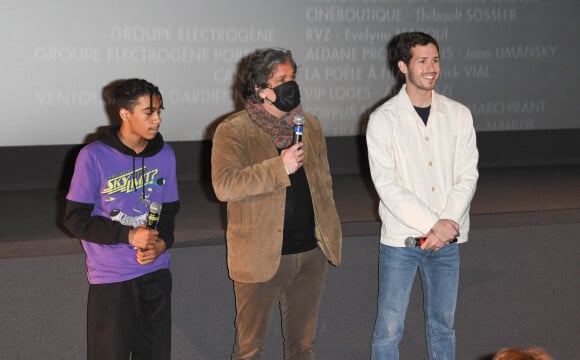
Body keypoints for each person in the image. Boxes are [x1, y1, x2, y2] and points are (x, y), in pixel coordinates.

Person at [211, 48, 342, 360]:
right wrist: (278, 167)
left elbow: (323, 184)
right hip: (261, 257)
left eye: (292, 78)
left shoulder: (309, 125)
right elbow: (224, 185)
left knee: (303, 348)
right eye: (281, 80)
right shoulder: (233, 129)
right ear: (261, 89)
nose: (290, 85)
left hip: (310, 254)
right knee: (250, 350)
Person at [366, 32, 479, 359]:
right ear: (403, 66)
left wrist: (447, 226)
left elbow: (467, 175)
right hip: (403, 241)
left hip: (447, 242)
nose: (431, 68)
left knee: (443, 327)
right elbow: (388, 186)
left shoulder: (459, 114)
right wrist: (435, 224)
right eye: (422, 61)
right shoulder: (383, 120)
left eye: (436, 60)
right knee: (388, 330)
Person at [64, 78, 180, 360]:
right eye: (149, 112)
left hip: (155, 275)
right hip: (112, 279)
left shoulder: (165, 154)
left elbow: (169, 211)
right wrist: (127, 235)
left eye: (159, 111)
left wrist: (161, 244)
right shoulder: (93, 156)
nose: (157, 119)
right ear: (125, 114)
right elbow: (75, 219)